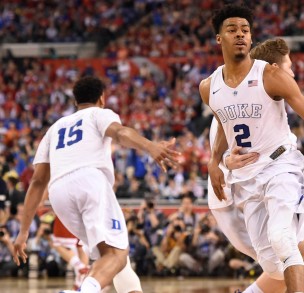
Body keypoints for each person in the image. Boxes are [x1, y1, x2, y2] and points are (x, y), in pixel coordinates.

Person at [201, 5, 304, 292]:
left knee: (282, 239)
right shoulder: (209, 87)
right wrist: (213, 161)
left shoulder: (269, 74)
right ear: (219, 38)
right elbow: (222, 122)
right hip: (247, 177)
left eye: (245, 30)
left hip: (281, 166)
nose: (241, 35)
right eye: (232, 30)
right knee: (271, 265)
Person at [12, 76, 180, 293]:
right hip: (89, 181)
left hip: (58, 193)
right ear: (102, 98)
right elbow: (120, 133)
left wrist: (23, 232)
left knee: (114, 256)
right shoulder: (99, 114)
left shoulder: (54, 129)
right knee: (116, 255)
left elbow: (37, 182)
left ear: (75, 102)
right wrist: (150, 146)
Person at [208, 38, 304, 293]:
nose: (292, 73)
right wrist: (223, 161)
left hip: (269, 174)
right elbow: (219, 146)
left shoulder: (270, 94)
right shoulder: (226, 91)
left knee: (293, 247)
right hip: (231, 190)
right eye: (289, 66)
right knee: (278, 259)